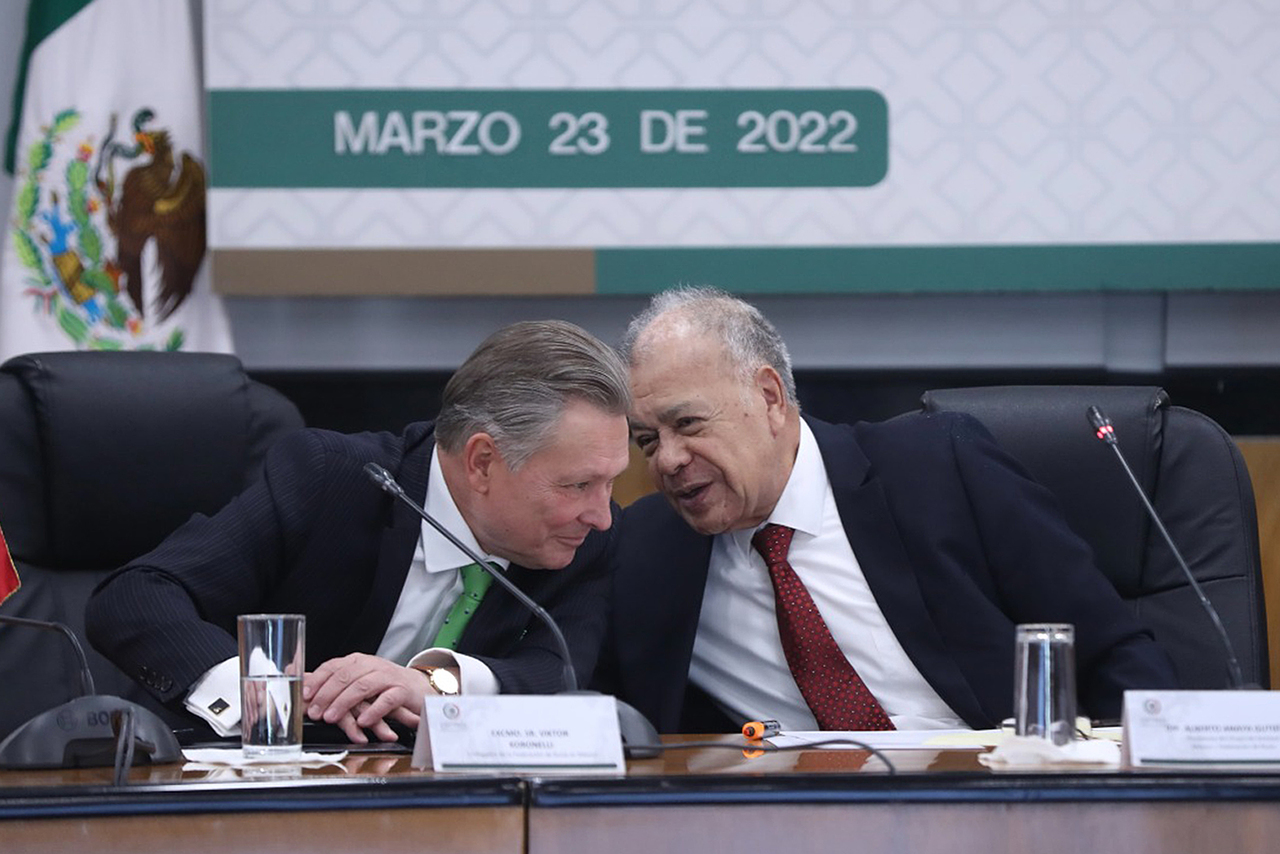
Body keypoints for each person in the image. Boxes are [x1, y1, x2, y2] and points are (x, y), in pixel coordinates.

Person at [599, 287, 1177, 734]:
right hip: (801, 821)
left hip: (993, 794)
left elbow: (1109, 650)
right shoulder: (645, 550)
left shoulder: (938, 467)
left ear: (769, 398)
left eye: (688, 424)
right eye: (647, 441)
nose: (668, 460)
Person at [87, 320, 632, 744]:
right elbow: (135, 597)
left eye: (610, 484)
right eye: (578, 485)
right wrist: (271, 702)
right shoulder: (334, 481)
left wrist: (434, 683)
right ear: (483, 462)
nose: (601, 513)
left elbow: (557, 674)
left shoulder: (587, 540)